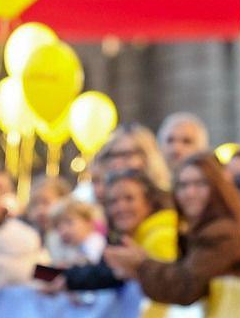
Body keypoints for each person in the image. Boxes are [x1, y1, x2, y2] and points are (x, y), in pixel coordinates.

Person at [104, 152, 240, 304]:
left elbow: (187, 286)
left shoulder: (222, 232)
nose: (190, 193)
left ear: (217, 187)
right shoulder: (205, 229)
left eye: (200, 184)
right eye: (183, 185)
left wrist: (141, 264)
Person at [49, 170, 177, 293]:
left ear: (149, 202)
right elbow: (103, 273)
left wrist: (142, 269)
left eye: (129, 199)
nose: (121, 207)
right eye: (113, 201)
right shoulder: (127, 239)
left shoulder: (161, 236)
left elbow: (170, 290)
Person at [92, 123, 171, 196]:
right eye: (112, 155)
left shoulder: (165, 197)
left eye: (126, 155)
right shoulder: (101, 198)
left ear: (147, 156)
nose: (117, 163)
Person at [44, 197, 106, 268]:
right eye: (58, 227)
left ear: (88, 222)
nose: (64, 231)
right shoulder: (70, 247)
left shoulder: (95, 240)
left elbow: (91, 261)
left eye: (69, 222)